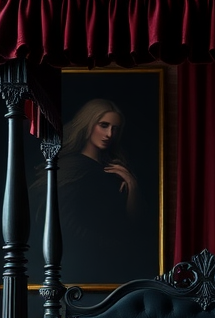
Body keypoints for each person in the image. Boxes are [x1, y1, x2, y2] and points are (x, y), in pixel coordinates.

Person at [31, 98, 144, 285]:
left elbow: (134, 221)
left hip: (116, 266)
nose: (109, 134)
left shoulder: (116, 169)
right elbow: (65, 222)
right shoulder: (74, 167)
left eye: (115, 128)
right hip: (82, 263)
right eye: (104, 125)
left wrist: (132, 185)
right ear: (89, 125)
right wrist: (111, 246)